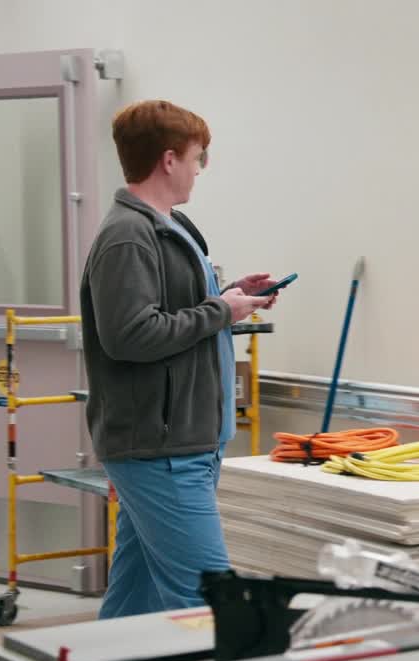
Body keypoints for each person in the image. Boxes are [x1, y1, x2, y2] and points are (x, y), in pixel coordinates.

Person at [80, 100, 279, 618]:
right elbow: (130, 335)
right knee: (208, 603)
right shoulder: (128, 236)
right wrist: (221, 310)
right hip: (160, 449)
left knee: (136, 600)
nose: (199, 169)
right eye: (196, 158)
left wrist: (230, 295)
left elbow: (174, 310)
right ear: (169, 160)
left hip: (182, 442)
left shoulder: (171, 225)